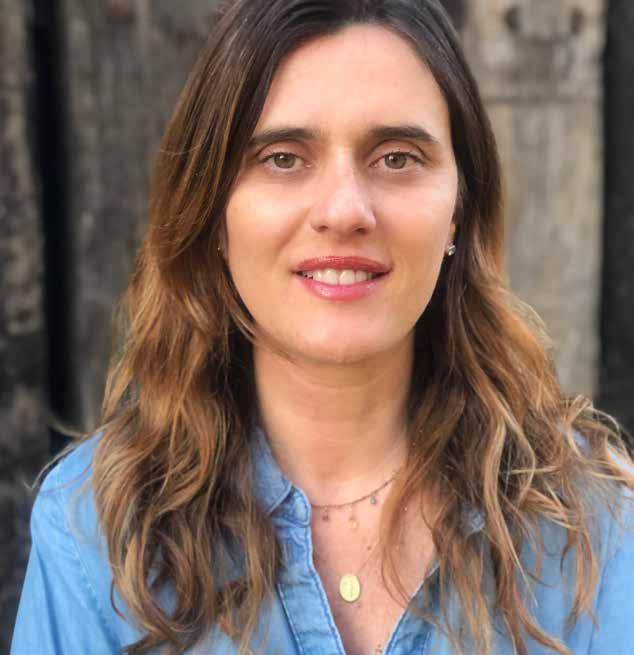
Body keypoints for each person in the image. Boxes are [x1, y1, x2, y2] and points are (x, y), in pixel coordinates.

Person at [11, 1, 634, 654]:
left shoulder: (591, 524)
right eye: (283, 158)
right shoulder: (98, 533)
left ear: (458, 208)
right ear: (213, 211)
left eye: (397, 157)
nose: (344, 210)